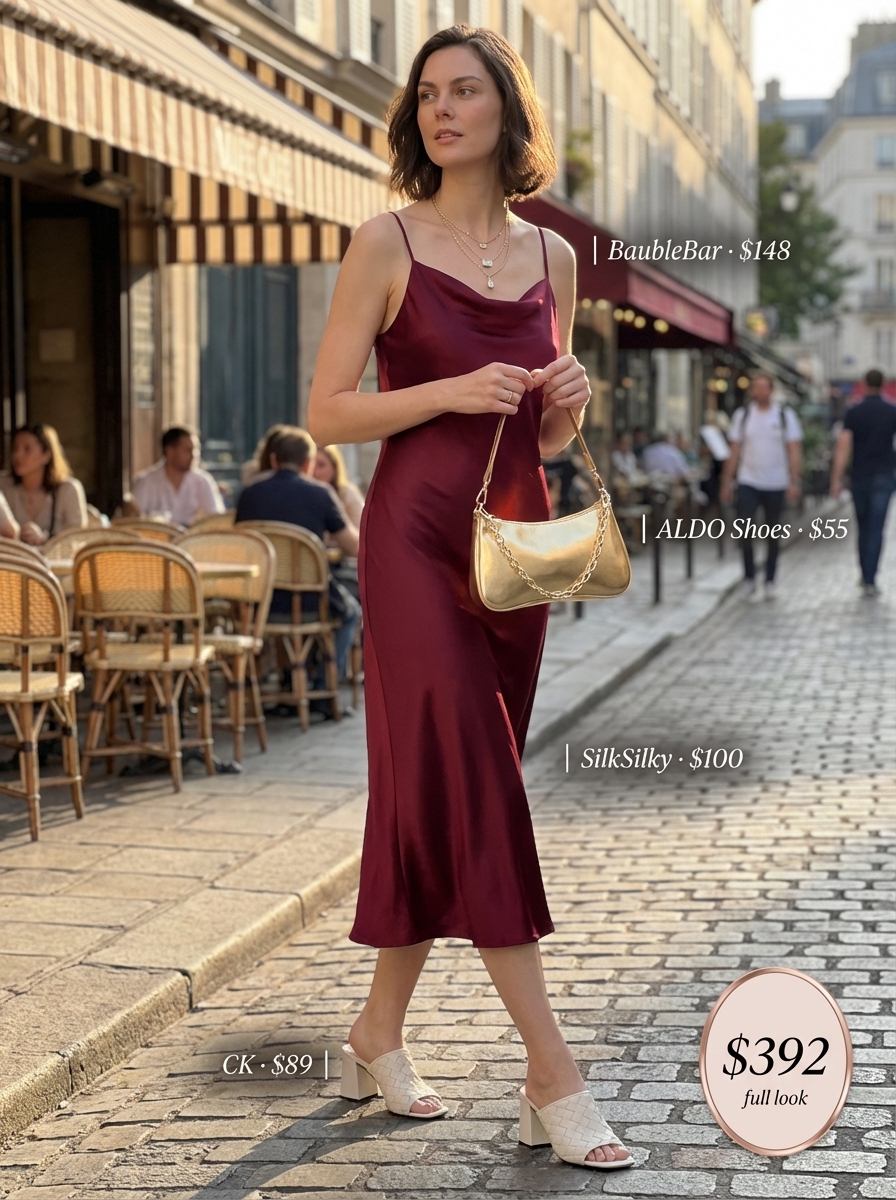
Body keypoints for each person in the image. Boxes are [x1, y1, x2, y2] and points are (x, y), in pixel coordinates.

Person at [306, 24, 631, 1173]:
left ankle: (374, 1032)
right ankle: (553, 1073)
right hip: (409, 544)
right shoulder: (383, 241)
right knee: (482, 783)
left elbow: (543, 425)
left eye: (465, 91)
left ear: (505, 111)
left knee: (439, 795)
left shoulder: (553, 260)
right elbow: (328, 412)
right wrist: (444, 382)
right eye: (427, 94)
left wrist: (565, 407)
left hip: (517, 555)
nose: (442, 110)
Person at [235, 429, 361, 681]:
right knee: (351, 613)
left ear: (273, 460)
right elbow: (355, 547)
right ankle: (323, 685)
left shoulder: (249, 494)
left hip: (258, 602)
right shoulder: (320, 494)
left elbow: (241, 544)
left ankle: (285, 681)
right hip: (308, 601)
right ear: (307, 463)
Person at [720, 372, 803, 600]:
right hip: (749, 480)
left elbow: (794, 450)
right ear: (752, 391)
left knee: (772, 533)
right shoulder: (743, 416)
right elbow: (734, 450)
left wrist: (794, 481)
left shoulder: (785, 416)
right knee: (745, 531)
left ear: (771, 390)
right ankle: (749, 577)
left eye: (764, 387)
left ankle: (770, 579)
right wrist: (727, 481)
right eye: (756, 388)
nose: (760, 392)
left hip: (777, 482)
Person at [830, 367, 896, 596]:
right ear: (884, 384)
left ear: (864, 384)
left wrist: (836, 478)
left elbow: (844, 445)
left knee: (863, 526)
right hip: (885, 476)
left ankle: (864, 572)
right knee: (877, 528)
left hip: (860, 475)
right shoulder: (892, 411)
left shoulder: (854, 412)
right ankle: (871, 577)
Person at [0, 424, 87, 545]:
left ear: (46, 454)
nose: (17, 455)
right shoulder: (4, 485)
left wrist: (44, 539)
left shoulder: (68, 489)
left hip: (56, 562)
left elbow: (77, 538)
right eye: (15, 449)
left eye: (27, 449)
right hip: (15, 562)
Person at [131, 427, 225, 527]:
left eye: (195, 450)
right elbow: (134, 522)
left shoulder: (202, 481)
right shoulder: (146, 482)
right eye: (188, 450)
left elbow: (216, 519)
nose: (193, 456)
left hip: (193, 541)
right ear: (170, 451)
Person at [313, 444, 365, 528]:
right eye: (312, 465)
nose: (315, 472)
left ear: (335, 467)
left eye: (321, 465)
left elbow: (360, 530)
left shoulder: (347, 494)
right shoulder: (302, 495)